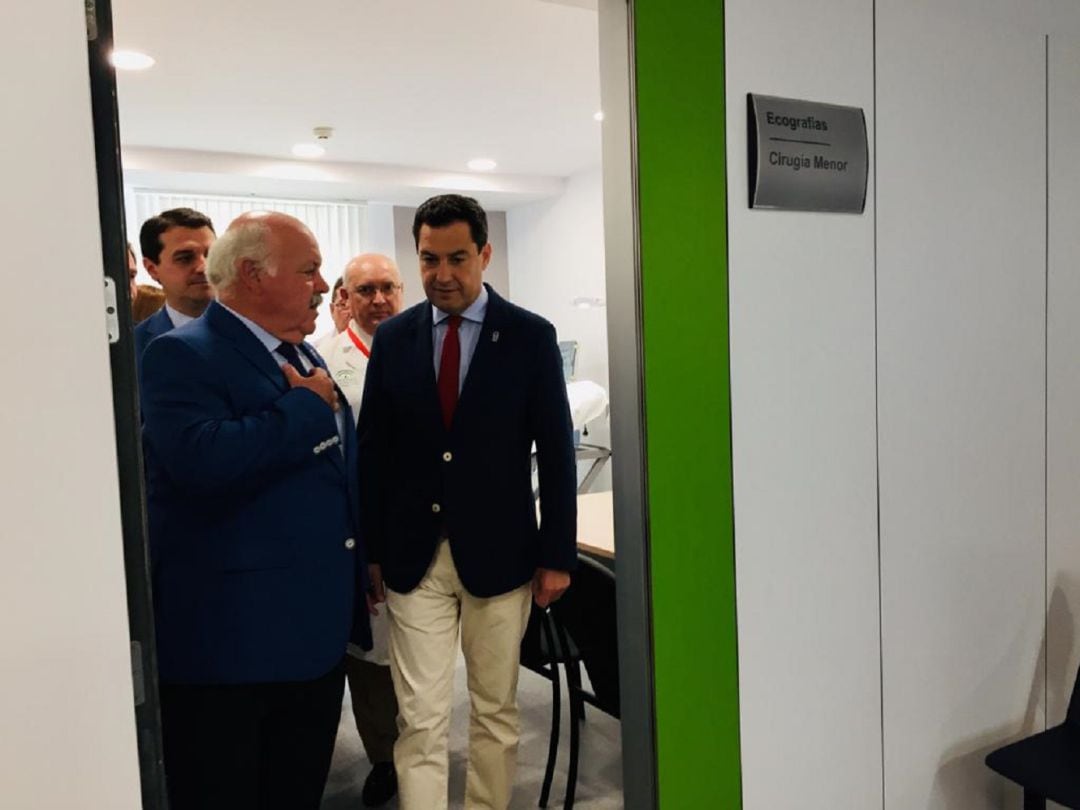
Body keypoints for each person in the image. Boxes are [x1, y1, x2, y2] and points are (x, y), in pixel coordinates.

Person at [140, 211, 371, 810]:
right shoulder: (178, 355)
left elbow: (333, 470)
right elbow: (200, 463)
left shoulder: (304, 355)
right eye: (310, 270)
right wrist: (303, 413)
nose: (324, 286)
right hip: (232, 651)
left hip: (311, 639)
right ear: (252, 275)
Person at [357, 194, 578, 810]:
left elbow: (557, 452)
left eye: (457, 258)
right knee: (420, 718)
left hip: (502, 554)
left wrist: (557, 553)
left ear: (485, 253)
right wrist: (371, 550)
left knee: (495, 710)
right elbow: (373, 451)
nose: (442, 275)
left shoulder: (530, 337)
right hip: (411, 557)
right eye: (429, 259)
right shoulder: (396, 338)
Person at [319, 253, 404, 807]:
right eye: (365, 290)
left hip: (417, 528)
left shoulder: (422, 346)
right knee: (369, 656)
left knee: (417, 655)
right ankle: (384, 759)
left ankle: (417, 749)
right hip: (354, 529)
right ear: (345, 297)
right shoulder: (324, 360)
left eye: (387, 288)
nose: (378, 300)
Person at [133, 207, 216, 362]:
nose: (203, 267)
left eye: (211, 255)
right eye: (185, 258)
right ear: (152, 269)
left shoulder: (257, 330)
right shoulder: (134, 347)